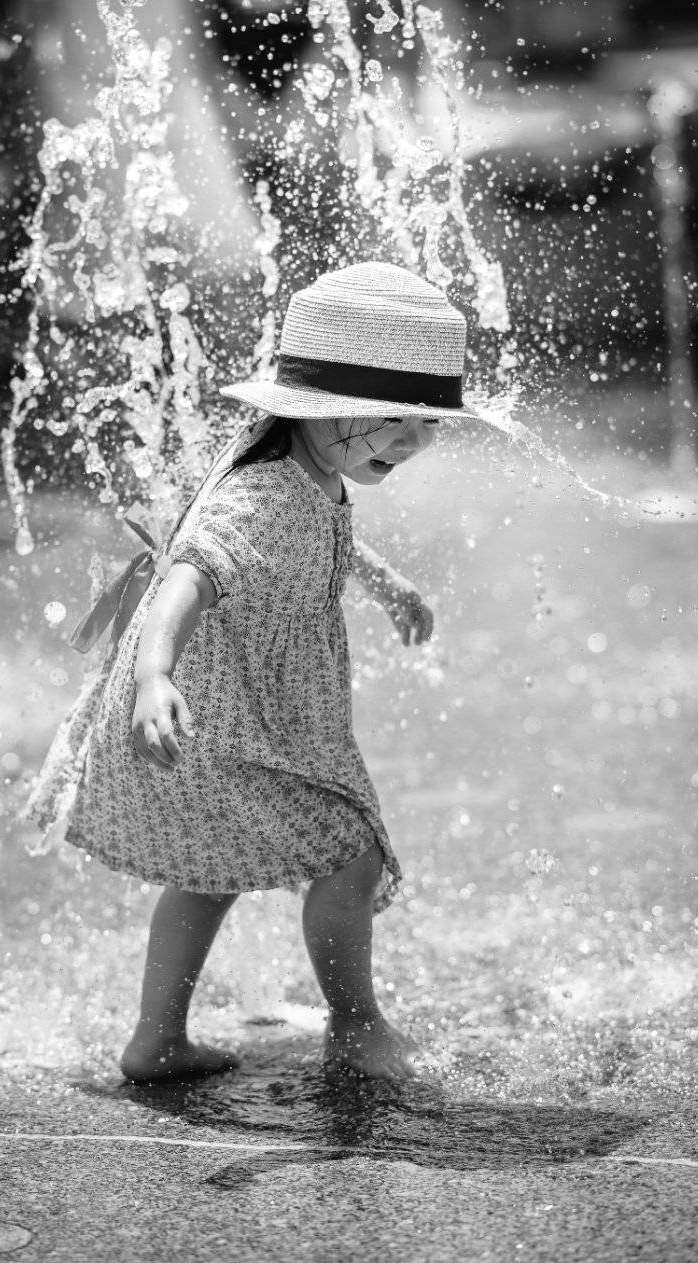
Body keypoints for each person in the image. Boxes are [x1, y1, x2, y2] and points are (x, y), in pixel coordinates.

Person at [24, 261, 483, 1082]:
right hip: (218, 717)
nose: (413, 442)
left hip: (233, 715)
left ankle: (156, 1037)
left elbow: (324, 534)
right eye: (392, 419)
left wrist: (383, 583)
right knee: (350, 849)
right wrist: (153, 676)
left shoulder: (308, 472)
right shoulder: (264, 493)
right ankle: (355, 1022)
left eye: (426, 423)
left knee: (208, 871)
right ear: (322, 410)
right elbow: (187, 575)